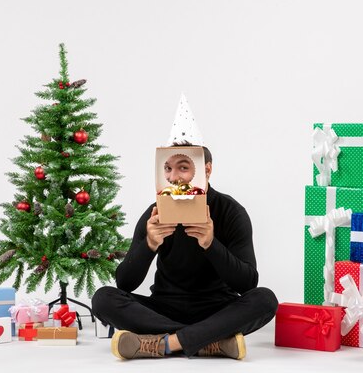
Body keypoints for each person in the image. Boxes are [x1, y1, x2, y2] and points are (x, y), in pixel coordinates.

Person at [91, 144, 278, 360]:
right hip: (163, 309)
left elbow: (247, 284)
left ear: (206, 170)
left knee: (265, 299)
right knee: (103, 298)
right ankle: (209, 341)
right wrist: (150, 244)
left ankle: (166, 343)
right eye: (168, 169)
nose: (173, 177)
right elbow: (124, 283)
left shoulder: (231, 212)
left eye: (183, 168)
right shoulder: (155, 213)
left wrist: (210, 244)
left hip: (217, 309)